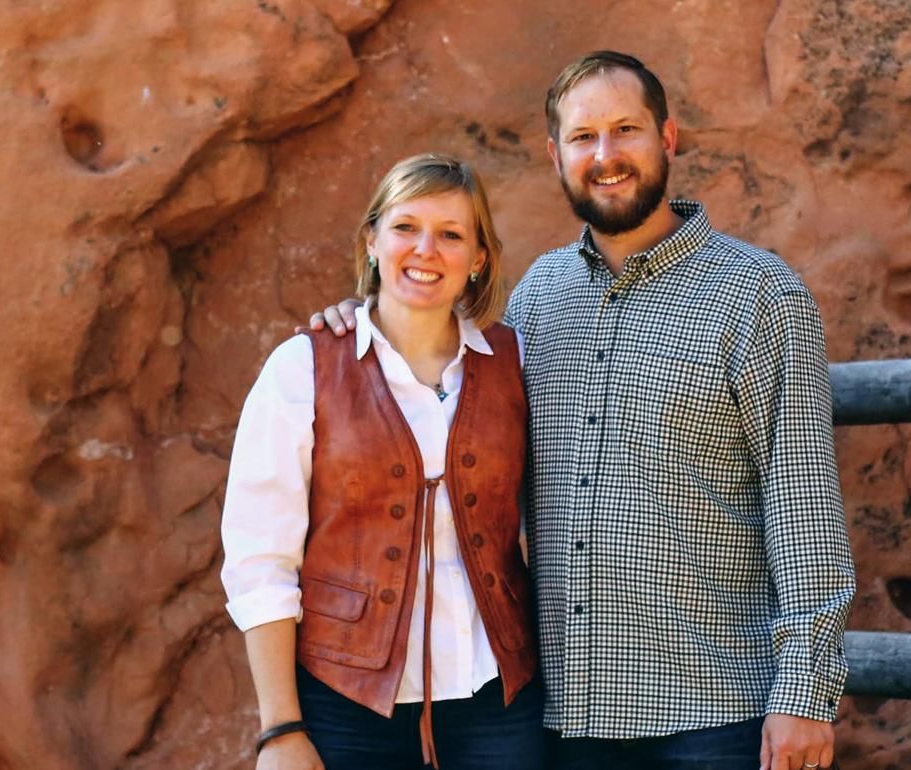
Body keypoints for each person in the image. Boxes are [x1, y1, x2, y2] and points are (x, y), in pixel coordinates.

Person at [312, 52, 858, 770]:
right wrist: (363, 321)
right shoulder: (539, 298)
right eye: (582, 137)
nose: (605, 156)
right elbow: (438, 361)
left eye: (625, 129)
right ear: (555, 154)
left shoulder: (758, 295)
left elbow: (804, 505)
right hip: (572, 718)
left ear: (668, 138)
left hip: (720, 712)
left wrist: (805, 694)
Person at [221, 153, 543, 770]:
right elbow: (261, 559)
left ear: (478, 259)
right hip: (346, 704)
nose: (425, 249)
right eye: (405, 227)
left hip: (498, 702)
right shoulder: (303, 368)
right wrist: (281, 729)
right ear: (372, 239)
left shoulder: (515, 361)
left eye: (451, 234)